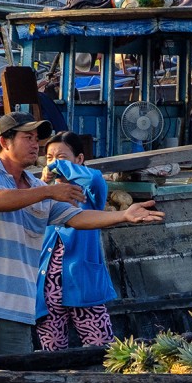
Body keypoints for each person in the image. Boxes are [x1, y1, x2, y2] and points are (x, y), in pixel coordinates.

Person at [0, 113, 164, 358]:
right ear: (4, 141)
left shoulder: (37, 187)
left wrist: (123, 216)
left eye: (37, 139)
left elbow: (75, 217)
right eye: (28, 137)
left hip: (16, 306)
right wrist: (48, 192)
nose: (36, 144)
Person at [35, 131, 117, 350]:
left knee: (102, 349)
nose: (53, 164)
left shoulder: (89, 193)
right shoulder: (42, 193)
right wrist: (46, 187)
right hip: (47, 289)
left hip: (83, 283)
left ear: (79, 160)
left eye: (61, 157)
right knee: (52, 354)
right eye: (49, 158)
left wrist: (55, 168)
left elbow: (93, 178)